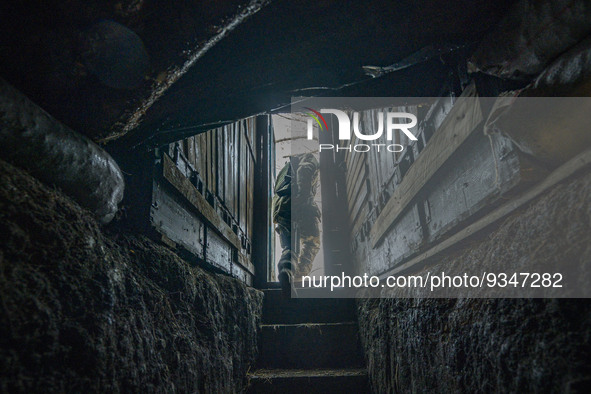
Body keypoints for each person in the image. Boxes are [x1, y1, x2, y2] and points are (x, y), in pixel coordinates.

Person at [272, 152, 321, 295]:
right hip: (299, 205)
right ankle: (298, 279)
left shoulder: (285, 169)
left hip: (282, 208)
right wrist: (303, 199)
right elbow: (304, 170)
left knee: (290, 247)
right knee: (312, 243)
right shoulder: (309, 158)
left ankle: (286, 271)